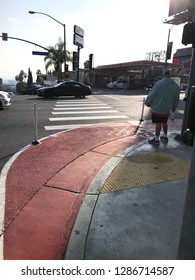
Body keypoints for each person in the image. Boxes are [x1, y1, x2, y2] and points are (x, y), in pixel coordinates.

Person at [144, 70, 180, 145]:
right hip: (167, 109)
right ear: (170, 76)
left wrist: (147, 102)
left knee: (158, 123)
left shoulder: (159, 84)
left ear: (163, 75)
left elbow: (152, 94)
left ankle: (156, 139)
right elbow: (176, 98)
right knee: (164, 122)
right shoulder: (176, 86)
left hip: (158, 107)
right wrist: (174, 107)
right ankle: (165, 136)